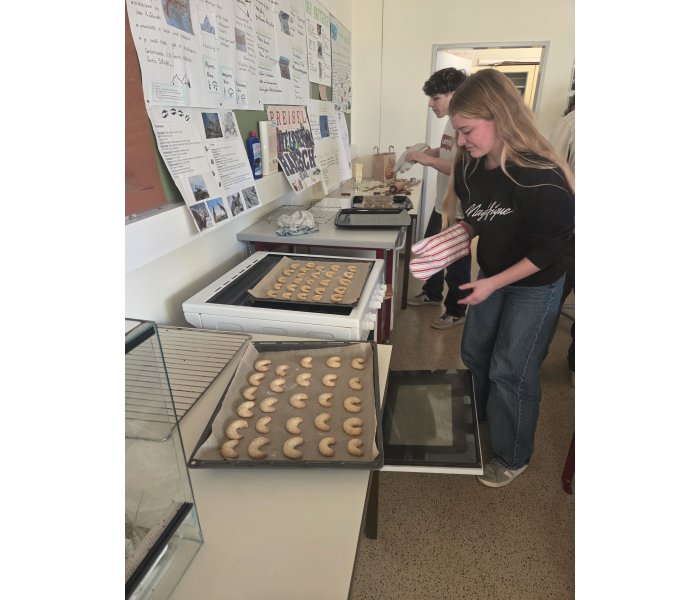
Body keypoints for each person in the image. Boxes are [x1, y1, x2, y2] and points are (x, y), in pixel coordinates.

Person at [440, 69, 575, 487]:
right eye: (458, 131)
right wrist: (458, 234)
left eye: (467, 130)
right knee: (475, 351)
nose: (461, 141)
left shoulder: (539, 177)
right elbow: (481, 218)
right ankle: (481, 414)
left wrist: (493, 283)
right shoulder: (471, 168)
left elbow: (548, 251)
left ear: (499, 117)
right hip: (493, 273)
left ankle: (513, 454)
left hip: (535, 283)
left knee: (511, 369)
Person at [405, 67, 472, 330]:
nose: (431, 104)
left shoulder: (467, 122)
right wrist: (425, 153)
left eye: (436, 98)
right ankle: (432, 293)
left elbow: (463, 167)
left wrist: (428, 160)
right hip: (442, 202)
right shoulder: (450, 120)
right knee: (431, 248)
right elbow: (447, 152)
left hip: (458, 207)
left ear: (455, 94)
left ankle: (456, 310)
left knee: (456, 259)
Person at [548, 96, 575, 385]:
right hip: (570, 230)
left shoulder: (571, 122)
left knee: (553, 296)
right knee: (552, 296)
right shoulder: (571, 124)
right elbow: (550, 171)